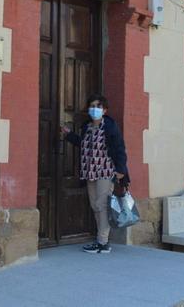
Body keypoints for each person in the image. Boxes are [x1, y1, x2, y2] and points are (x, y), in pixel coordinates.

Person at [62, 94, 129, 254]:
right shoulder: (87, 126)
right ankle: (101, 240)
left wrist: (121, 170)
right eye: (92, 106)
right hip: (90, 171)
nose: (95, 109)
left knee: (101, 205)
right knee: (95, 205)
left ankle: (103, 242)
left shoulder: (110, 127)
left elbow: (119, 148)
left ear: (105, 110)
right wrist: (69, 135)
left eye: (98, 107)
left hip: (106, 171)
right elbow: (84, 145)